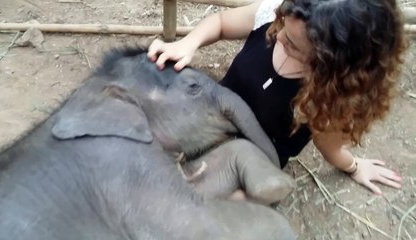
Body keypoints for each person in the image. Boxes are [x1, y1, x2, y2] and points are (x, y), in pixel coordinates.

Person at [147, 0, 408, 195]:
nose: (277, 36)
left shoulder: (332, 98)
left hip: (253, 153)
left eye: (293, 44)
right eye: (281, 22)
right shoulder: (280, 16)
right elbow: (221, 22)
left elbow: (329, 147)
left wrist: (353, 166)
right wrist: (188, 43)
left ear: (329, 64)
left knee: (209, 202)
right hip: (215, 112)